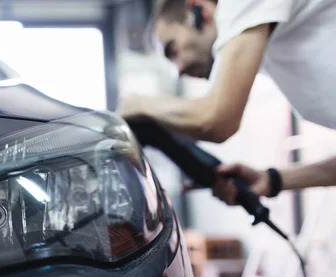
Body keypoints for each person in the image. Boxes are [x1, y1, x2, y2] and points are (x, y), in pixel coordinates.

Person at [120, 0, 336, 205]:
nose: (178, 71)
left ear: (198, 10)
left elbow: (216, 120)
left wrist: (136, 104)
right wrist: (273, 180)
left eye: (172, 49)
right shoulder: (274, 55)